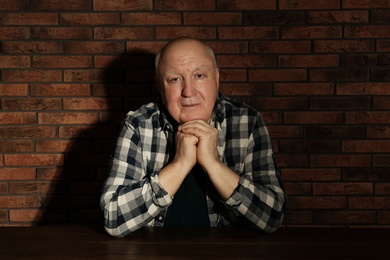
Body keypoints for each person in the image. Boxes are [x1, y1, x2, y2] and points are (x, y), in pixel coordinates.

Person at [100, 37, 286, 237]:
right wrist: (180, 164)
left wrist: (213, 164)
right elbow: (113, 220)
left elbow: (272, 217)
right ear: (159, 86)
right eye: (174, 79)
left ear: (216, 78)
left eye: (199, 75)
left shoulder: (248, 122)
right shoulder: (138, 124)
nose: (188, 92)